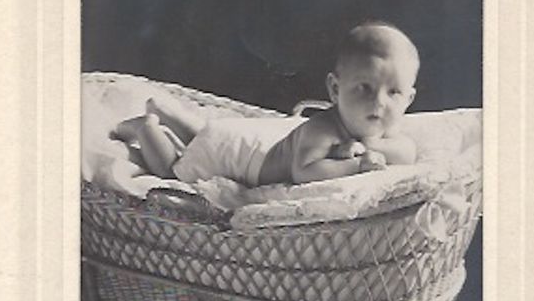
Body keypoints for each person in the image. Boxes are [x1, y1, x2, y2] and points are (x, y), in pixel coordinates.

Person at [112, 21, 420, 187]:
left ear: (409, 99)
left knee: (206, 137)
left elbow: (406, 152)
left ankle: (167, 112)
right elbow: (304, 171)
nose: (378, 103)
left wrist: (371, 149)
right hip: (239, 159)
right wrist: (357, 164)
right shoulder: (323, 128)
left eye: (393, 93)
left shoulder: (381, 128)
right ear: (335, 89)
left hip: (234, 138)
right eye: (364, 88)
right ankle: (146, 129)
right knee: (173, 173)